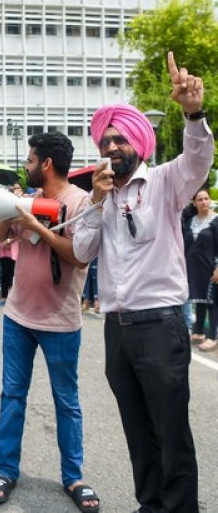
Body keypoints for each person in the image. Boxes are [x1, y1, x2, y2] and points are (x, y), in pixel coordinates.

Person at [73, 52, 212, 513]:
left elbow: (198, 159)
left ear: (139, 143)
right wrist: (95, 202)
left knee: (171, 434)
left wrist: (192, 112)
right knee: (138, 432)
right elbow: (79, 252)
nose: (112, 147)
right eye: (105, 140)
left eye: (120, 139)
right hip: (118, 330)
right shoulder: (100, 198)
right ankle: (150, 505)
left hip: (160, 327)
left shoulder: (167, 182)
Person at [0, 132, 98, 512]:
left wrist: (37, 227)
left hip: (62, 322)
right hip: (18, 317)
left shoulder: (81, 202)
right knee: (12, 396)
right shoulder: (26, 200)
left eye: (31, 160)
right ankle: (6, 469)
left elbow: (79, 256)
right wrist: (11, 208)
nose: (27, 166)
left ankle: (74, 476)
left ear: (46, 163)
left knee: (66, 402)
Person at [184, 188, 218, 352]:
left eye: (206, 199)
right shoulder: (192, 220)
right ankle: (198, 332)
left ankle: (212, 337)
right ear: (194, 203)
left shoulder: (216, 220)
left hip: (211, 268)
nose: (204, 202)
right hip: (195, 269)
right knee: (199, 300)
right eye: (200, 199)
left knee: (213, 301)